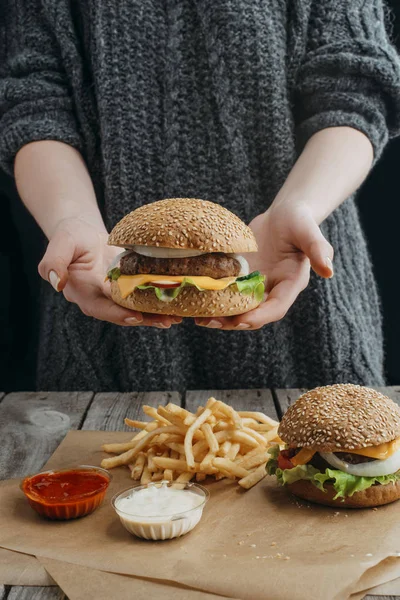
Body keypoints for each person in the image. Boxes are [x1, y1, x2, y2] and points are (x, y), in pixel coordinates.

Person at [1, 1, 400, 392]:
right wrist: (71, 219)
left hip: (302, 288)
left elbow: (355, 90)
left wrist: (300, 206)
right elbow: (35, 103)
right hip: (99, 300)